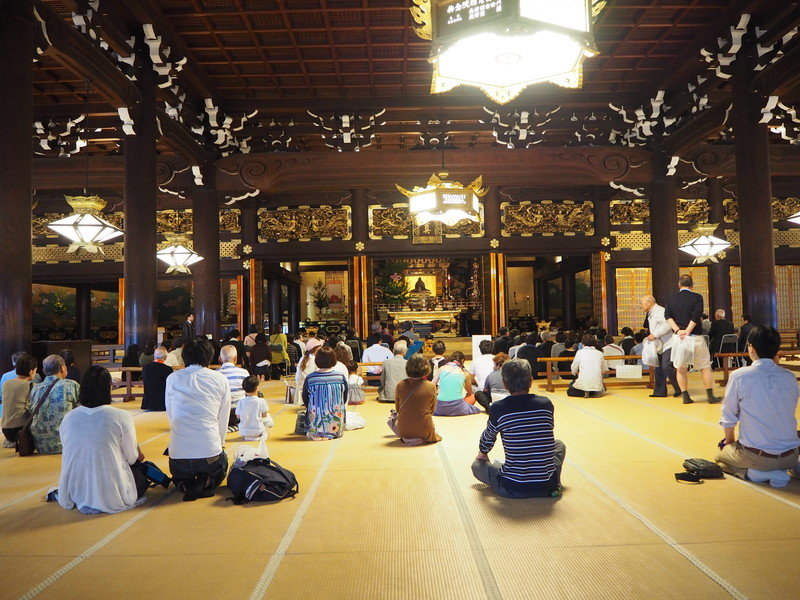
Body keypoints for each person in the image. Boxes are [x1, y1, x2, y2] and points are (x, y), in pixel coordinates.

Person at [52, 366, 148, 514]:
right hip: (113, 491)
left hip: (77, 488)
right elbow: (131, 458)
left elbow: (69, 450)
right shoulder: (121, 416)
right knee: (142, 474)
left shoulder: (69, 417)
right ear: (108, 388)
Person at [715, 326, 800, 485]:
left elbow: (728, 416)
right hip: (791, 456)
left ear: (751, 348)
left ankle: (757, 474)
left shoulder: (739, 376)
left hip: (756, 457)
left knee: (721, 458)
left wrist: (729, 441)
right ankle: (789, 468)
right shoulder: (789, 377)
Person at [472, 359, 566, 498]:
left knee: (477, 466)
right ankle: (550, 479)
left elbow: (487, 439)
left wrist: (483, 454)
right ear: (531, 380)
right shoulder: (546, 404)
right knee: (559, 445)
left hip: (513, 486)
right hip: (547, 485)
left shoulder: (499, 408)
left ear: (505, 383)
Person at [165, 337, 230, 501]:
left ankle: (186, 483)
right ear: (210, 357)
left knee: (179, 474)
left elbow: (171, 414)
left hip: (179, 456)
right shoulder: (220, 379)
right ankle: (206, 482)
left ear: (184, 357)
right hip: (209, 455)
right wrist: (220, 444)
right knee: (222, 463)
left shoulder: (172, 378)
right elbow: (223, 417)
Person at [664, 275, 719, 404]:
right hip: (695, 337)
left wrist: (678, 331)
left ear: (679, 284)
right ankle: (710, 396)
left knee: (681, 369)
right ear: (692, 285)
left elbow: (667, 316)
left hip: (679, 338)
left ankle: (685, 396)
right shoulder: (697, 297)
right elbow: (696, 315)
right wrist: (688, 331)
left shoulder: (671, 299)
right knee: (705, 367)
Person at [29, 354, 80, 454]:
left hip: (41, 445)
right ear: (62, 367)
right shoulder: (71, 385)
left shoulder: (35, 388)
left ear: (44, 371)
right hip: (66, 443)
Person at [389, 355, 441, 445]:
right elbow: (432, 410)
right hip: (424, 429)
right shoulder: (431, 386)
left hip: (403, 430)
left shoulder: (400, 385)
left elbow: (398, 409)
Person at [303, 346, 348, 440]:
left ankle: (316, 432)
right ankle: (331, 432)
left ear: (317, 360)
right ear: (334, 360)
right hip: (336, 421)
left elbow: (305, 398)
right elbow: (344, 397)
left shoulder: (311, 378)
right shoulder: (340, 376)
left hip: (315, 417)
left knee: (312, 411)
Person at [641, 295, 681, 398]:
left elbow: (667, 325)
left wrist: (655, 335)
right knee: (658, 367)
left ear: (649, 302)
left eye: (642, 302)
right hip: (658, 345)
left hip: (668, 343)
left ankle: (680, 387)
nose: (641, 305)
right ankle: (660, 391)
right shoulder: (650, 313)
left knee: (666, 366)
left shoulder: (660, 311)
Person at [1, 355, 38, 447]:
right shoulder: (31, 385)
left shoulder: (6, 383)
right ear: (31, 371)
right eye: (35, 370)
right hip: (21, 430)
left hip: (5, 429)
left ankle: (10, 441)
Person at [433, 352, 480, 416]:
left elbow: (431, 385)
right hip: (458, 407)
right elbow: (469, 392)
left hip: (440, 407)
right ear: (462, 361)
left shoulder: (442, 368)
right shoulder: (465, 373)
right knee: (472, 396)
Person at [218, 345, 250, 431]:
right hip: (239, 414)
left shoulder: (215, 374)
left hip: (222, 416)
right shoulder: (244, 373)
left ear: (220, 359)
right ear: (235, 358)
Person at [236, 375, 273, 441]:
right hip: (258, 430)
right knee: (269, 418)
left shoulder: (240, 402)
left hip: (243, 431)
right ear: (257, 388)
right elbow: (264, 416)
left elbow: (238, 416)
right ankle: (261, 435)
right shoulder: (261, 401)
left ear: (244, 389)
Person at [141, 347, 173, 412]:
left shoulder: (146, 367)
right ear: (165, 357)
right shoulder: (167, 369)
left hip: (148, 402)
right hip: (162, 402)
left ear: (154, 356)